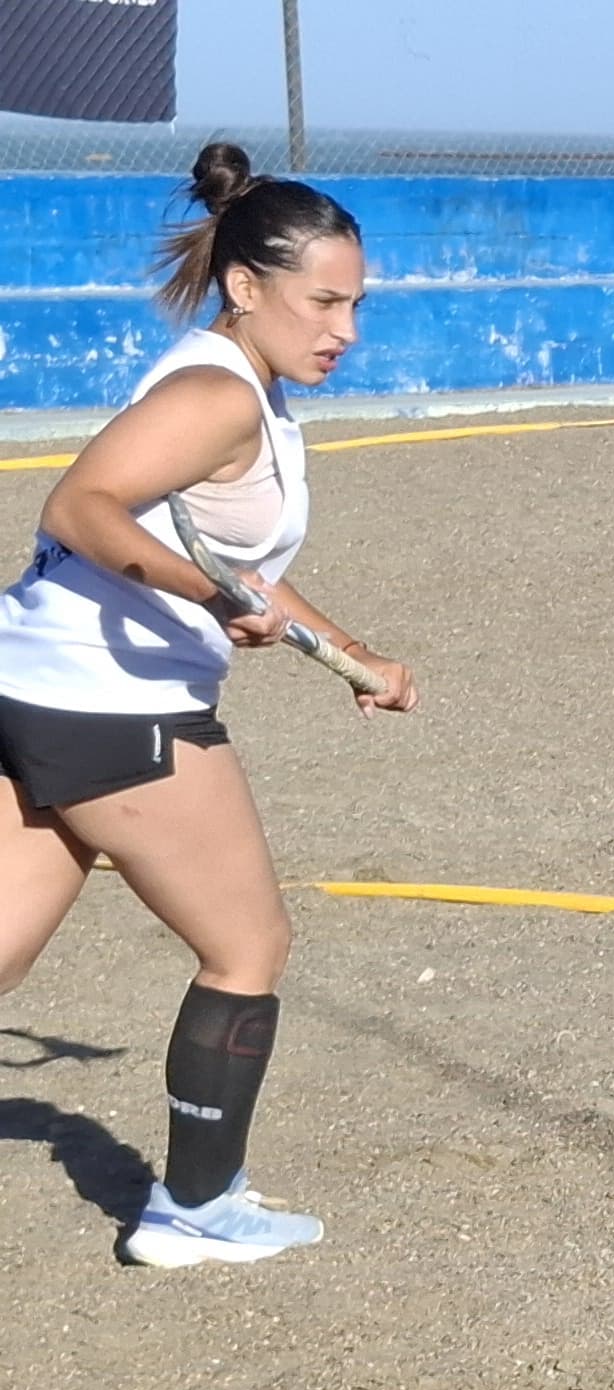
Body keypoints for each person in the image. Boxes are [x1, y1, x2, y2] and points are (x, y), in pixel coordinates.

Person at [0, 144, 416, 1266]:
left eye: (356, 305)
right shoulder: (215, 394)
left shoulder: (236, 383)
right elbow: (81, 506)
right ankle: (195, 1209)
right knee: (248, 945)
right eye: (323, 302)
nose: (345, 329)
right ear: (245, 285)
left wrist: (351, 655)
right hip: (111, 705)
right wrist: (208, 596)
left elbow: (241, 565)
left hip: (32, 686)